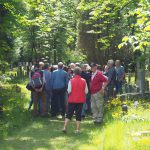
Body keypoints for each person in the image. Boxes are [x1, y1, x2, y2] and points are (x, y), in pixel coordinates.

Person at [62, 67, 88, 133]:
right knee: (78, 115)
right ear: (80, 73)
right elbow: (86, 91)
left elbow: (69, 91)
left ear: (74, 73)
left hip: (72, 100)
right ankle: (78, 129)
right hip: (80, 100)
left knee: (69, 114)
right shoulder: (84, 81)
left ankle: (65, 127)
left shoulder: (71, 80)